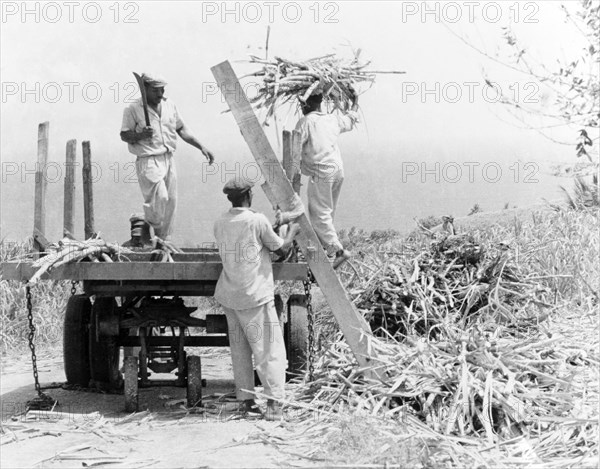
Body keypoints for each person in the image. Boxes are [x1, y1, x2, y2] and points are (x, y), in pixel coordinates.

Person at [213, 177, 299, 421]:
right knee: (269, 350)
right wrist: (291, 231)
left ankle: (247, 402)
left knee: (240, 351)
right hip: (255, 295)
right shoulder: (257, 220)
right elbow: (281, 249)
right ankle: (274, 403)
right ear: (249, 194)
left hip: (230, 295)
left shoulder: (221, 222)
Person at [120, 72, 215, 241]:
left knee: (170, 203)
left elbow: (181, 129)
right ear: (145, 89)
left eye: (162, 90)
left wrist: (201, 147)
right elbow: (125, 135)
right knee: (160, 197)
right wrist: (140, 135)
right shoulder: (133, 108)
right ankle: (142, 221)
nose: (160, 94)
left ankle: (162, 242)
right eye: (156, 90)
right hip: (148, 159)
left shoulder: (169, 105)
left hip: (168, 158)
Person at [281, 91, 359, 268]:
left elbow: (294, 149)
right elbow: (351, 119)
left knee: (319, 213)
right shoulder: (331, 119)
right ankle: (327, 247)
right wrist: (355, 101)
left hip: (322, 172)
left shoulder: (306, 122)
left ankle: (338, 251)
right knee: (329, 211)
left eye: (302, 105)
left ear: (306, 105)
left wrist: (285, 167)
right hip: (338, 170)